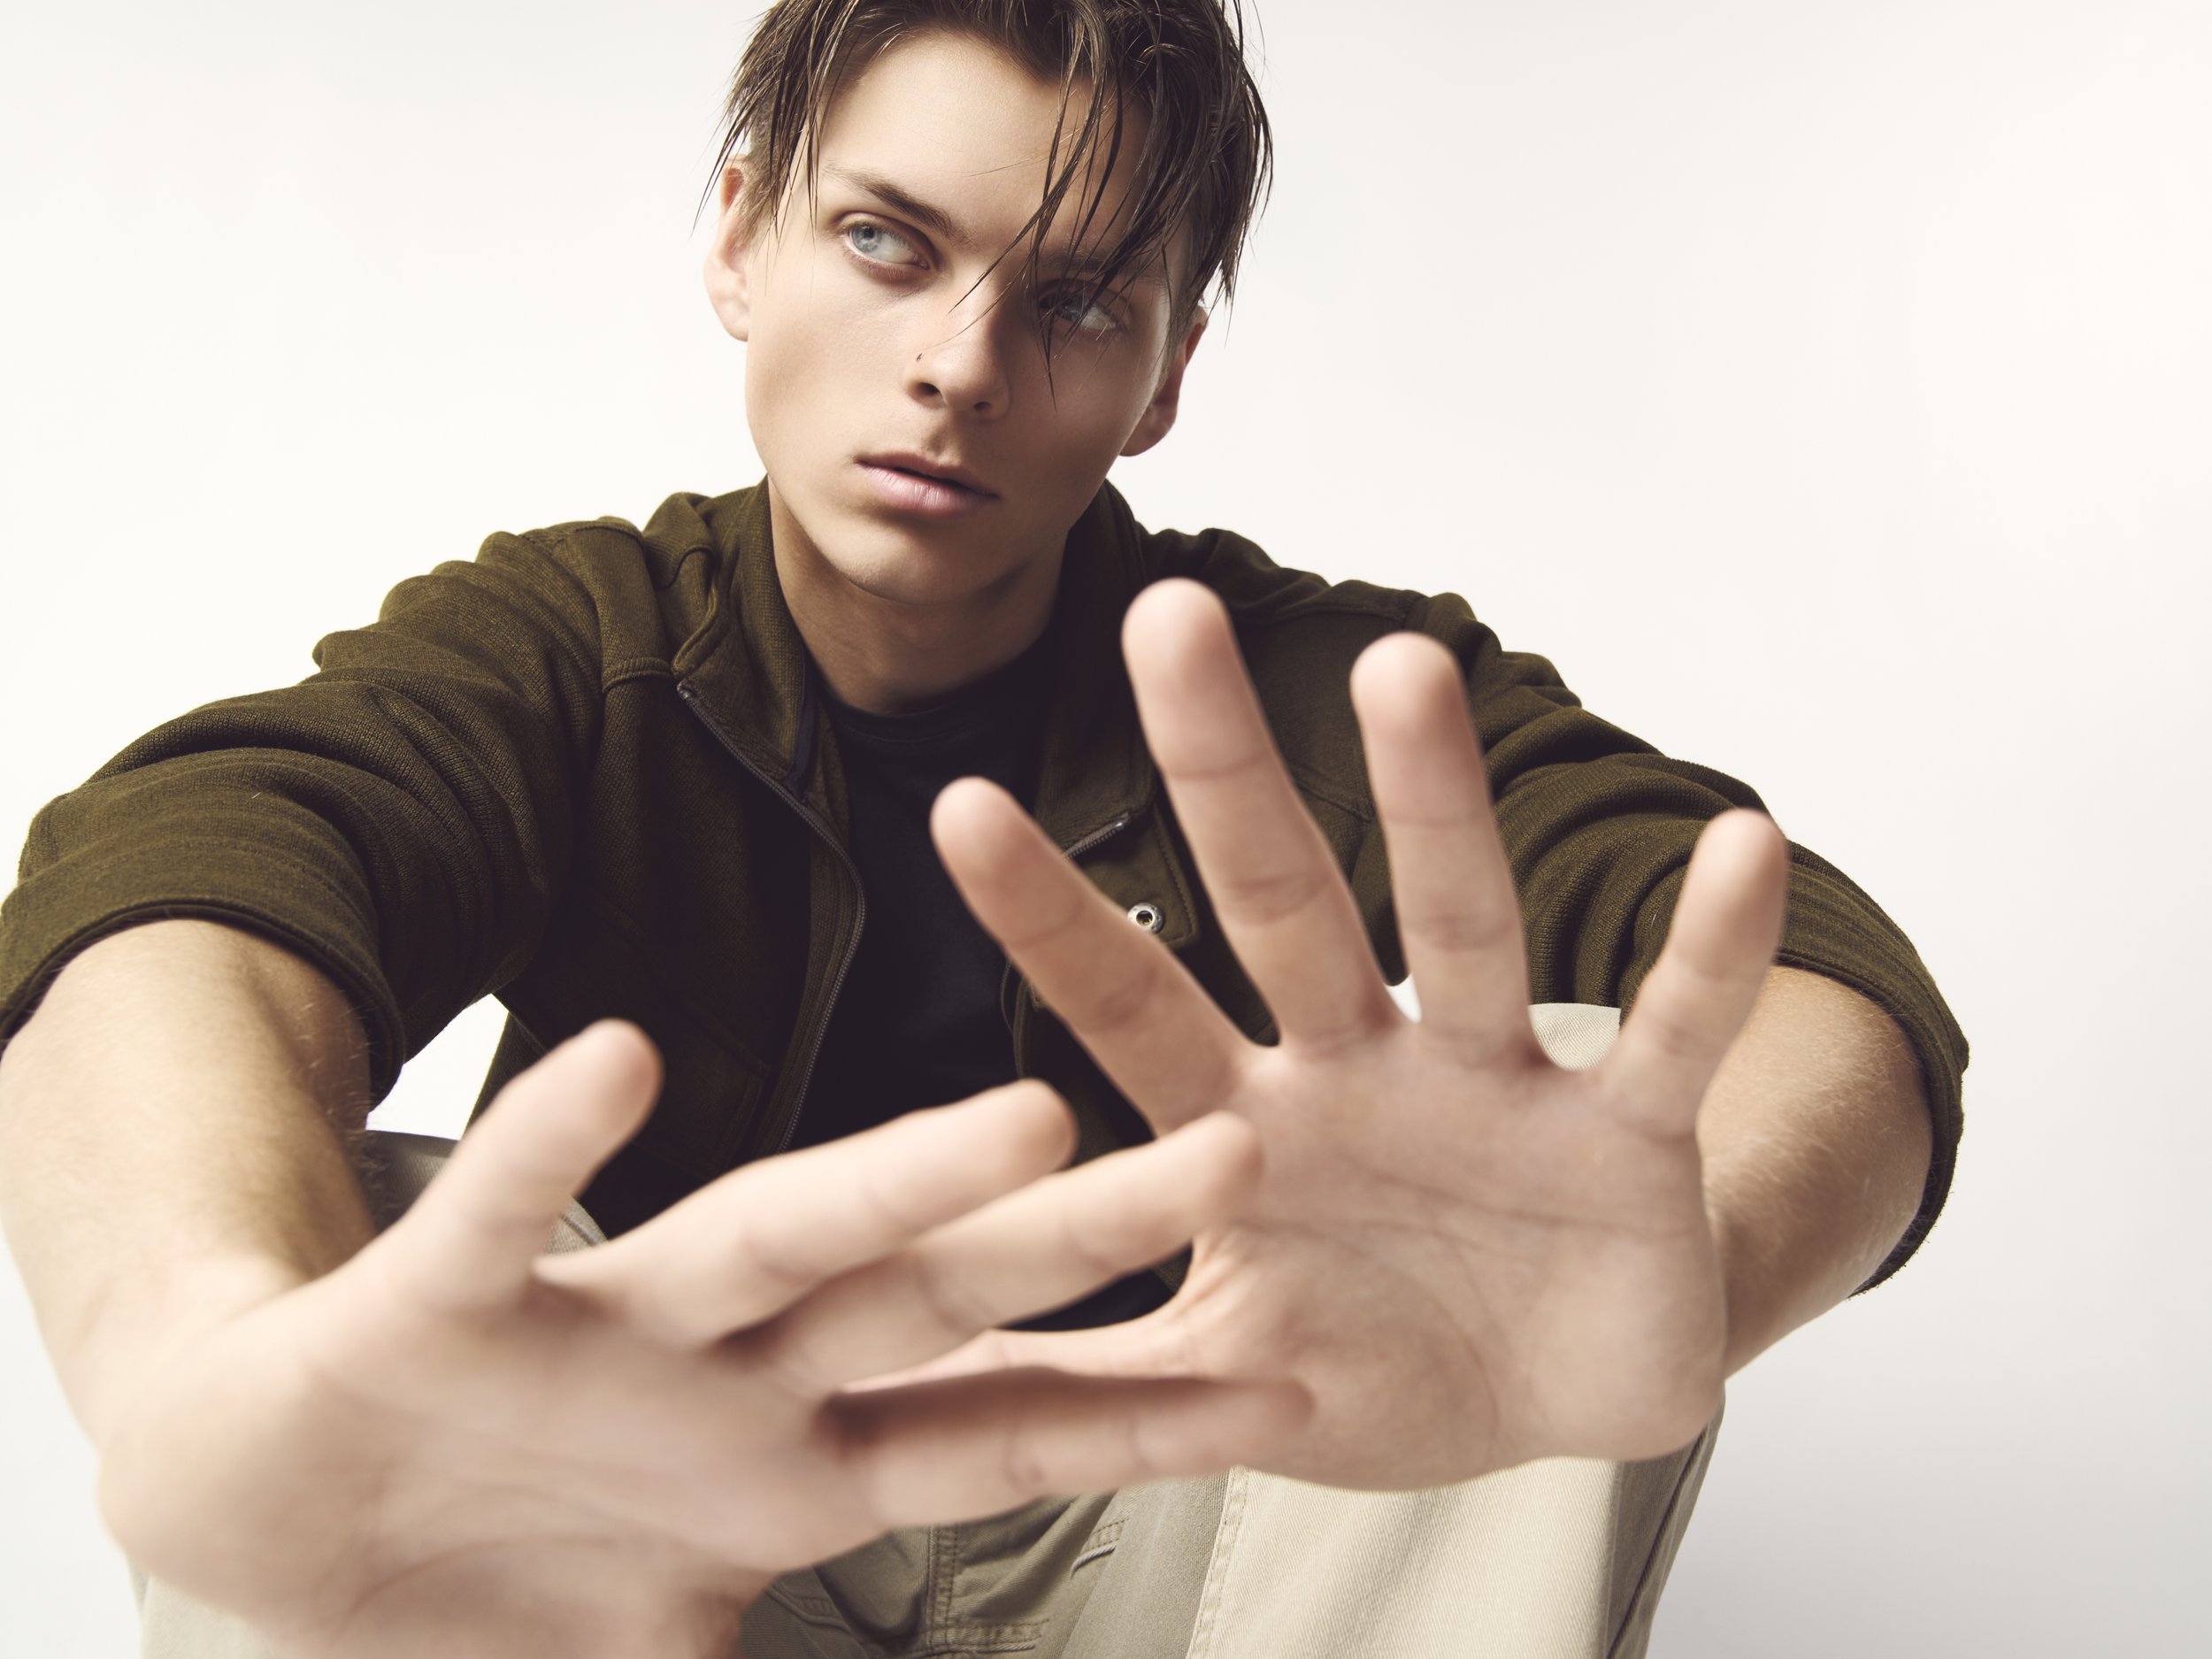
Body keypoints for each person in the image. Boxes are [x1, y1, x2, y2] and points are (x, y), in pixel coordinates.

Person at [0, 2, 1966, 1655]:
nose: (957, 365)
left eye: (1078, 300)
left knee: (1561, 1164)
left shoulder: (1291, 677)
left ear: (1164, 372)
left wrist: (1693, 1252)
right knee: (381, 1249)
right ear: (739, 237)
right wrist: (191, 1341)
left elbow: (1817, 978)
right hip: (647, 1531)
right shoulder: (573, 647)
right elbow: (191, 874)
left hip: (1191, 1507)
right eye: (883, 242)